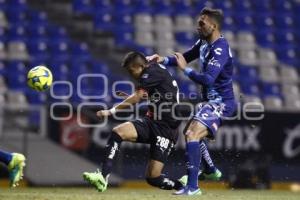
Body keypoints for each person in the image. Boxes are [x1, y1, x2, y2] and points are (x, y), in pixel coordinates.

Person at [147, 7, 236, 195]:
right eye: (198, 23)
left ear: (214, 25)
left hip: (221, 103)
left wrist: (185, 70)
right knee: (191, 132)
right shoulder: (203, 44)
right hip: (209, 102)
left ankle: (193, 187)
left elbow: (208, 79)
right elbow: (184, 57)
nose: (198, 26)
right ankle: (210, 170)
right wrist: (161, 59)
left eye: (202, 23)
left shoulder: (220, 48)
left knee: (192, 134)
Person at [82, 51, 187, 192]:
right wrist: (133, 97)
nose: (130, 74)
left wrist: (110, 111)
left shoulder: (150, 72)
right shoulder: (152, 71)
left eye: (131, 71)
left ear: (140, 66)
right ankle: (103, 176)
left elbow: (138, 97)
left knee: (153, 178)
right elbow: (152, 95)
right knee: (118, 132)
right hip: (152, 121)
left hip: (166, 128)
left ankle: (182, 186)